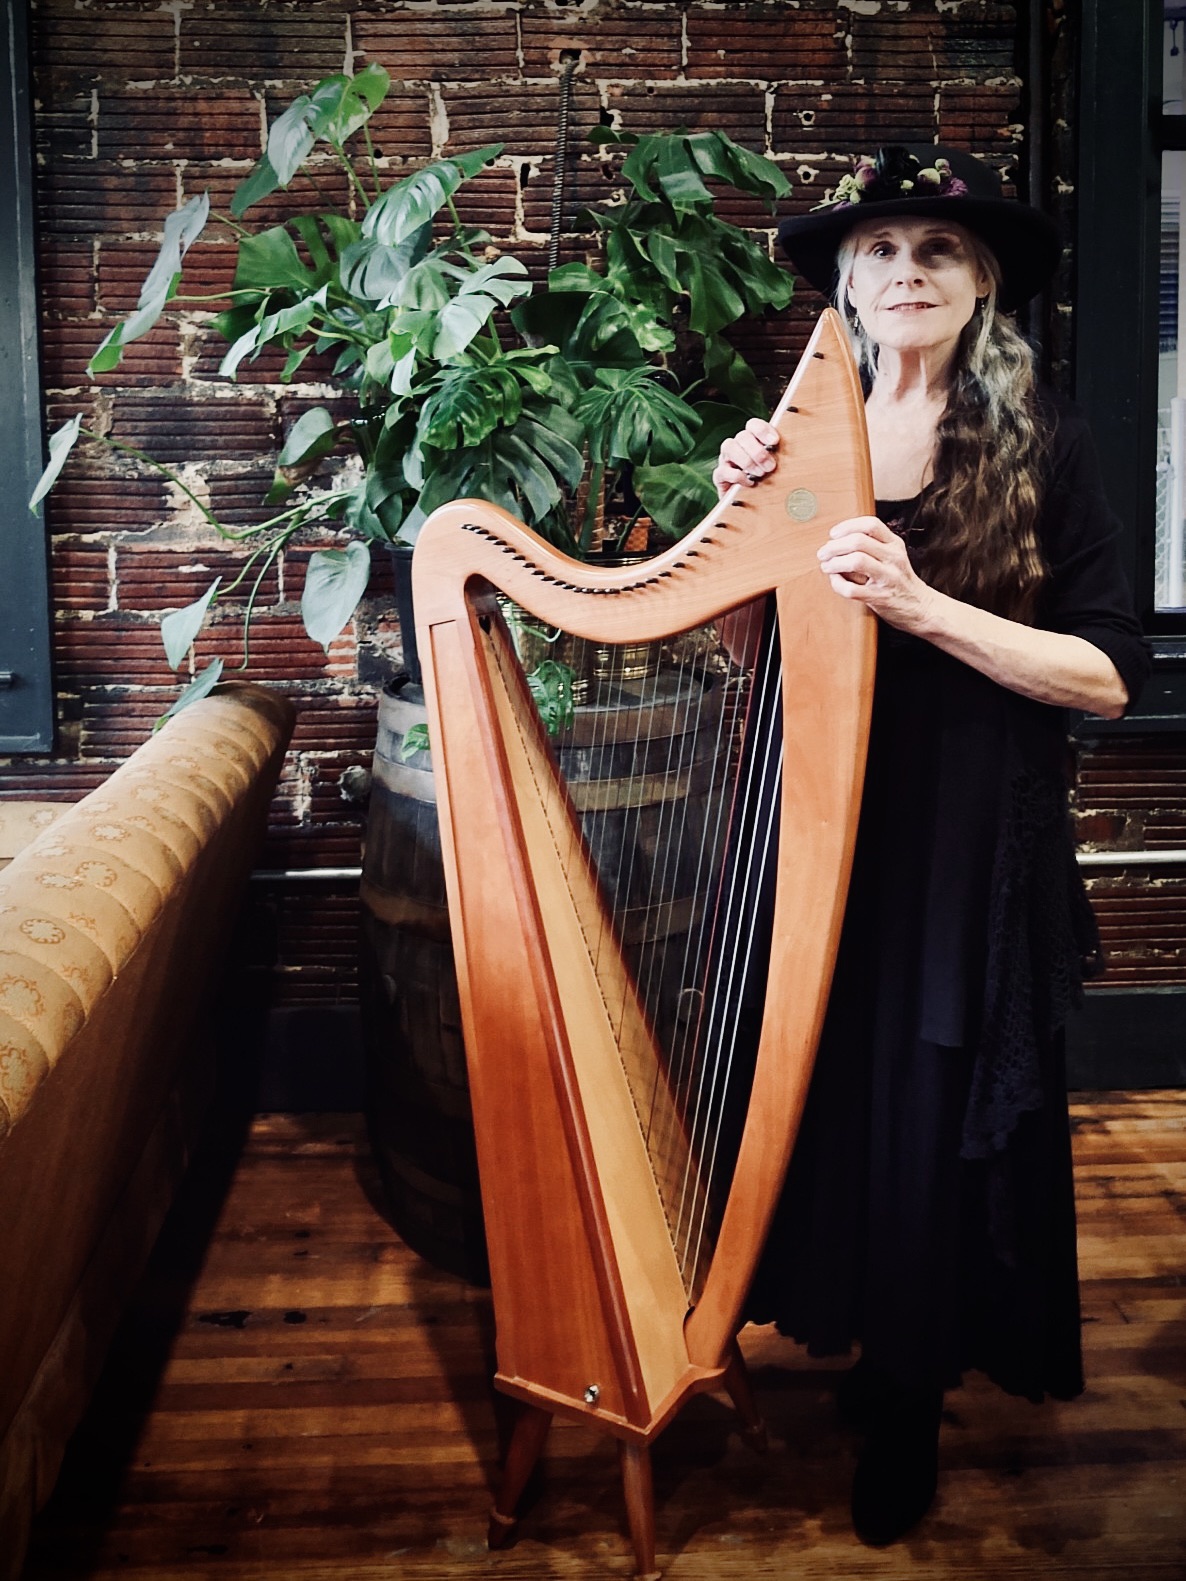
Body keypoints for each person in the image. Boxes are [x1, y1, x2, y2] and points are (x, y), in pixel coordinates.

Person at [712, 145, 1152, 1547]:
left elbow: (1105, 673)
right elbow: (741, 642)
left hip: (968, 836)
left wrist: (918, 604)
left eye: (937, 252)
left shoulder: (1044, 442)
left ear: (981, 285)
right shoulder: (804, 434)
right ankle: (855, 1335)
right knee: (832, 1083)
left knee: (926, 1100)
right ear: (844, 282)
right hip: (820, 811)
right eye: (880, 250)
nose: (905, 271)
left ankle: (909, 1395)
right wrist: (737, 522)